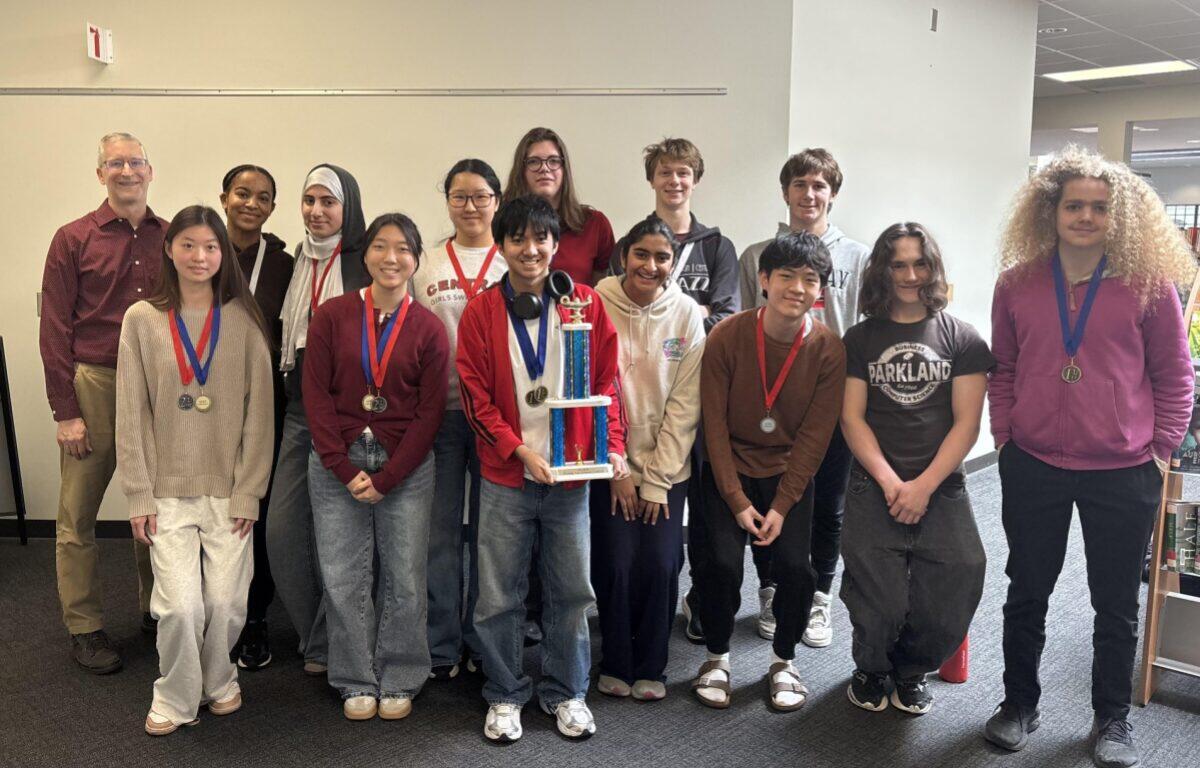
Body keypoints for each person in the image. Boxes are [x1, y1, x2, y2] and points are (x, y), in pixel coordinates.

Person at [985, 146, 1194, 768]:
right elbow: (1004, 369)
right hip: (1034, 463)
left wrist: (1158, 454)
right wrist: (1004, 438)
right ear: (1050, 210)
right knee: (1026, 591)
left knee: (1115, 602)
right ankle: (1019, 704)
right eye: (1073, 205)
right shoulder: (1017, 283)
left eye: (1099, 207)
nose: (1085, 216)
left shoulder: (1149, 286)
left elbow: (1175, 379)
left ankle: (1113, 718)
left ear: (1118, 215)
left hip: (1124, 469)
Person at [457, 195, 626, 742]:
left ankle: (566, 691)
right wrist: (517, 450)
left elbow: (606, 383)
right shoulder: (482, 311)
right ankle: (505, 693)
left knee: (571, 590)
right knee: (499, 593)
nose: (530, 250)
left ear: (556, 244)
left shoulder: (585, 303)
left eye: (541, 239)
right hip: (507, 475)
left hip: (571, 477)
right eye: (517, 239)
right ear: (502, 245)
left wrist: (613, 444)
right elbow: (475, 396)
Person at [115, 205, 273, 735]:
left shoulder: (245, 320)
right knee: (181, 609)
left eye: (210, 246)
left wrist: (249, 492)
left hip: (229, 492)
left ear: (223, 252)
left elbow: (260, 416)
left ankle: (220, 679)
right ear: (169, 249)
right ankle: (177, 697)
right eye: (188, 245)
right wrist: (138, 495)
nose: (199, 256)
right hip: (166, 491)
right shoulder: (141, 320)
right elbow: (130, 413)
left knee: (226, 603)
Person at [839, 222, 991, 716]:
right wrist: (889, 481)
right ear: (882, 269)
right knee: (877, 597)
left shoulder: (962, 338)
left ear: (933, 269)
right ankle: (872, 667)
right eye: (898, 263)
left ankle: (911, 669)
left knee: (961, 575)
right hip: (872, 484)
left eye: (919, 263)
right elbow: (852, 417)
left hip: (941, 485)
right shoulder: (860, 339)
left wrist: (924, 486)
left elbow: (967, 425)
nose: (909, 274)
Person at [691, 231, 844, 712]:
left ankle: (784, 661)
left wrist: (781, 505)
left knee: (798, 570)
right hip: (727, 468)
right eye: (786, 276)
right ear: (763, 280)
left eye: (809, 279)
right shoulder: (728, 335)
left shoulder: (828, 348)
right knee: (719, 564)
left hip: (786, 473)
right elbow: (712, 425)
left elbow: (815, 437)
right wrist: (737, 501)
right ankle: (716, 657)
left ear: (820, 289)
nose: (798, 287)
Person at [303, 213, 448, 721]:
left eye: (403, 249)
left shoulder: (429, 327)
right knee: (343, 574)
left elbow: (430, 414)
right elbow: (315, 396)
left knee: (404, 575)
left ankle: (402, 673)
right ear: (364, 255)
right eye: (381, 247)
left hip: (404, 466)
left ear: (415, 259)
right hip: (336, 463)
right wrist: (342, 468)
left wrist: (388, 477)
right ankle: (354, 677)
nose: (391, 258)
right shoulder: (331, 315)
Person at [39, 132, 165, 673]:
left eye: (134, 161)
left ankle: (157, 613)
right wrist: (66, 411)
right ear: (100, 174)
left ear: (149, 170)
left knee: (157, 510)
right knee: (77, 517)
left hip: (159, 386)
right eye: (115, 163)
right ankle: (85, 628)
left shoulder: (173, 236)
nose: (126, 171)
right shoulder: (72, 238)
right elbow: (54, 328)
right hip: (95, 384)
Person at [737, 148, 871, 648]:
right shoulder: (757, 256)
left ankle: (819, 599)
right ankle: (770, 590)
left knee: (827, 507)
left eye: (819, 185)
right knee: (770, 499)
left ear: (832, 194)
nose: (809, 194)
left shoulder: (858, 257)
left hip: (834, 402)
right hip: (773, 405)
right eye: (799, 184)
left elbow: (864, 328)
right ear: (785, 192)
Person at [610, 137, 741, 646]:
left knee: (698, 517)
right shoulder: (636, 240)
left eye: (684, 172)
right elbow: (619, 310)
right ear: (652, 179)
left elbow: (724, 319)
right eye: (665, 172)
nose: (675, 181)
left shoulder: (717, 246)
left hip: (700, 398)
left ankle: (699, 601)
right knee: (623, 542)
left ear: (695, 179)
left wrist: (685, 320)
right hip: (636, 405)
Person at [593, 218, 705, 701]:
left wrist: (657, 480)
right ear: (624, 254)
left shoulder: (685, 314)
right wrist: (618, 467)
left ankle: (651, 665)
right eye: (642, 253)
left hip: (667, 464)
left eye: (662, 257)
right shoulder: (597, 301)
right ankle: (616, 659)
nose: (651, 265)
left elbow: (686, 404)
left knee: (660, 563)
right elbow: (593, 390)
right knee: (616, 562)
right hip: (609, 462)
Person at [266, 164, 367, 677]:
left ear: (348, 207)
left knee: (342, 536)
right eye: (309, 200)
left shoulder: (366, 263)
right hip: (298, 413)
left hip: (348, 420)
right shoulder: (293, 261)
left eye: (328, 201)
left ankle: (339, 641)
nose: (317, 211)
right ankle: (315, 635)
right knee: (282, 532)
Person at [414, 159, 507, 680]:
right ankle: (442, 644)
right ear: (446, 200)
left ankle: (482, 639)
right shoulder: (425, 263)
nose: (470, 207)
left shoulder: (510, 262)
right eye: (459, 197)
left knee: (493, 537)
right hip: (444, 418)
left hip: (497, 423)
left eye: (480, 196)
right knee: (440, 534)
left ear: (496, 199)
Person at [219, 164, 294, 671]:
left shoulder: (285, 265)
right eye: (242, 193)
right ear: (223, 197)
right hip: (206, 402)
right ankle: (212, 613)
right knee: (210, 507)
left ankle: (255, 618)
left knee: (257, 511)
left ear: (272, 207)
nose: (251, 203)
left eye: (263, 197)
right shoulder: (198, 250)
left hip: (267, 401)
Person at [502, 127, 614, 287]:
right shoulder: (502, 223)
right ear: (521, 170)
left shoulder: (595, 224)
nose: (544, 168)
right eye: (534, 161)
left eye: (553, 161)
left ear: (564, 168)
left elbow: (603, 292)